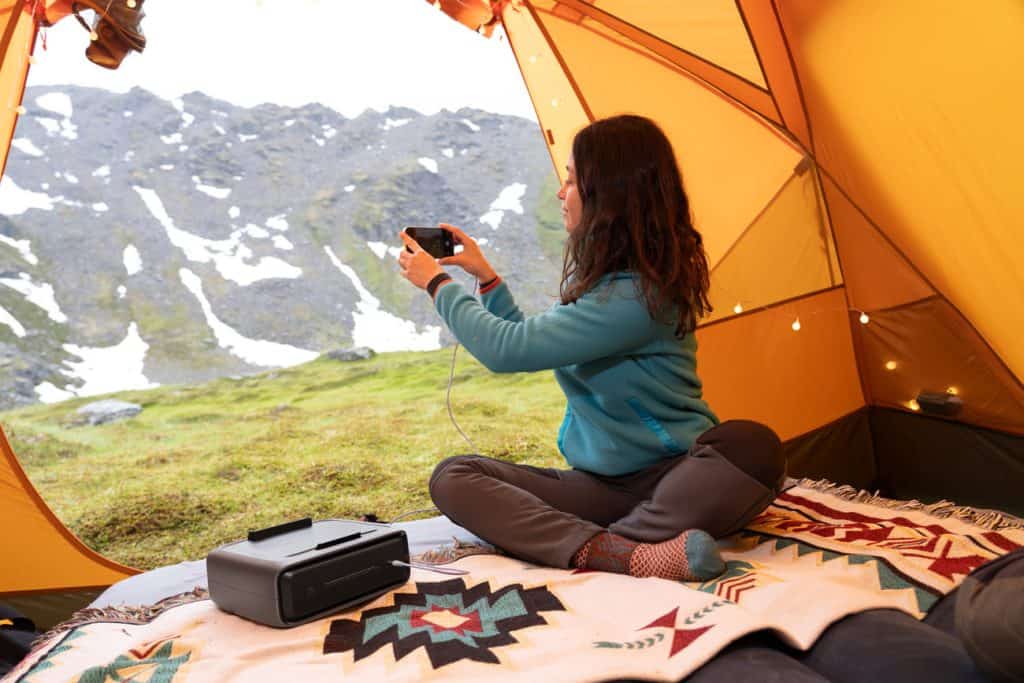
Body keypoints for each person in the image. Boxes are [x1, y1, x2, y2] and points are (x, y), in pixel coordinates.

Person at [397, 114, 784, 582]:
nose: (561, 193)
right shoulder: (606, 288)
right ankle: (625, 551)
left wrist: (438, 283)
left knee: (752, 445)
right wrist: (487, 279)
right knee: (455, 477)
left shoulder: (641, 297)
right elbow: (527, 339)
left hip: (675, 477)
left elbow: (506, 350)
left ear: (611, 194)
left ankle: (605, 546)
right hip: (601, 488)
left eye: (572, 180)